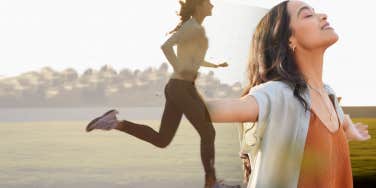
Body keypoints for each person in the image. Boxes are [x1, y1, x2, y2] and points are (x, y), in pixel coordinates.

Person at [202, 1, 371, 187]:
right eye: (308, 15)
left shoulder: (329, 94)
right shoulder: (279, 94)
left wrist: (351, 130)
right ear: (290, 39)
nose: (323, 15)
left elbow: (339, 120)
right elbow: (216, 109)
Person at [85, 0, 239, 188]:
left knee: (162, 140)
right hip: (180, 88)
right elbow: (166, 46)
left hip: (181, 88)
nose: (212, 5)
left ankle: (114, 123)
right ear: (199, 6)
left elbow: (193, 58)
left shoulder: (195, 28)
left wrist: (214, 65)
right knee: (208, 132)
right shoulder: (192, 27)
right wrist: (179, 67)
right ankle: (211, 183)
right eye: (209, 2)